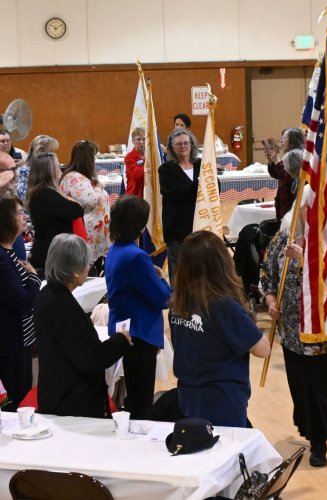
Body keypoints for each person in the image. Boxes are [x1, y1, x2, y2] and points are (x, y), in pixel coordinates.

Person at [261, 190, 327, 467]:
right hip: (293, 330)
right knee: (305, 387)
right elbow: (267, 274)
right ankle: (317, 441)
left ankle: (322, 430)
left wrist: (305, 260)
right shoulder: (282, 239)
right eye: (303, 210)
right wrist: (271, 300)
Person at [169, 230, 270, 428]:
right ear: (221, 263)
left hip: (188, 394)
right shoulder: (223, 305)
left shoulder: (178, 302)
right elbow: (263, 349)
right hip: (222, 399)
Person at [35, 234, 131, 418]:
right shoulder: (60, 306)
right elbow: (90, 359)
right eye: (86, 263)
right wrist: (120, 341)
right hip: (71, 404)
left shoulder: (48, 294)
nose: (89, 267)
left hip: (59, 393)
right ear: (75, 271)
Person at [105, 195, 172, 419]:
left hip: (125, 329)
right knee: (141, 401)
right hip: (140, 333)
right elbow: (163, 298)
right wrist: (162, 278)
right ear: (140, 227)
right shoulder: (136, 257)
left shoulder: (115, 250)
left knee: (134, 395)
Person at [0, 193, 40, 411]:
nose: (24, 216)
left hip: (19, 343)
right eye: (18, 213)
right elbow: (23, 302)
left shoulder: (9, 252)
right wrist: (34, 278)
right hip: (10, 345)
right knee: (16, 403)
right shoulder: (2, 258)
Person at [26, 153, 84, 275]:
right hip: (50, 252)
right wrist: (67, 197)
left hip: (50, 248)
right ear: (49, 171)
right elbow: (77, 210)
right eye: (57, 166)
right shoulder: (46, 194)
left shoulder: (40, 192)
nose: (60, 169)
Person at [60, 140, 110, 270]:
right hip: (86, 234)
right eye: (93, 156)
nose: (95, 160)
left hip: (94, 233)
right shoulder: (74, 177)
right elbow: (91, 200)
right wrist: (98, 187)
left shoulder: (79, 176)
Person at [159, 128, 201, 283]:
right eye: (178, 144)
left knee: (199, 272)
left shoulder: (201, 164)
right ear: (171, 147)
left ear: (191, 145)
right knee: (179, 274)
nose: (183, 146)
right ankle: (177, 306)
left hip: (199, 227)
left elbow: (214, 186)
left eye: (186, 143)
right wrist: (196, 185)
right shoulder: (166, 169)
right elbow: (173, 194)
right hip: (177, 230)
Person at [264, 128, 305, 221]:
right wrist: (271, 161)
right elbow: (277, 175)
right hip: (284, 198)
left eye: (285, 137)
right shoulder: (290, 153)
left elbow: (286, 178)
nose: (282, 140)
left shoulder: (295, 154)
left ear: (293, 140)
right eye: (282, 137)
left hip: (291, 199)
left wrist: (277, 160)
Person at [17, 134, 59, 202]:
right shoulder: (26, 170)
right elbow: (23, 196)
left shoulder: (50, 168)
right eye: (51, 152)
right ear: (40, 152)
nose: (54, 155)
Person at [125, 127, 146, 197]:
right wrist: (148, 161)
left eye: (144, 139)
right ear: (133, 141)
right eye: (138, 139)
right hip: (134, 196)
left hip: (148, 193)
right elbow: (138, 175)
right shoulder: (129, 157)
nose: (141, 142)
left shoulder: (150, 156)